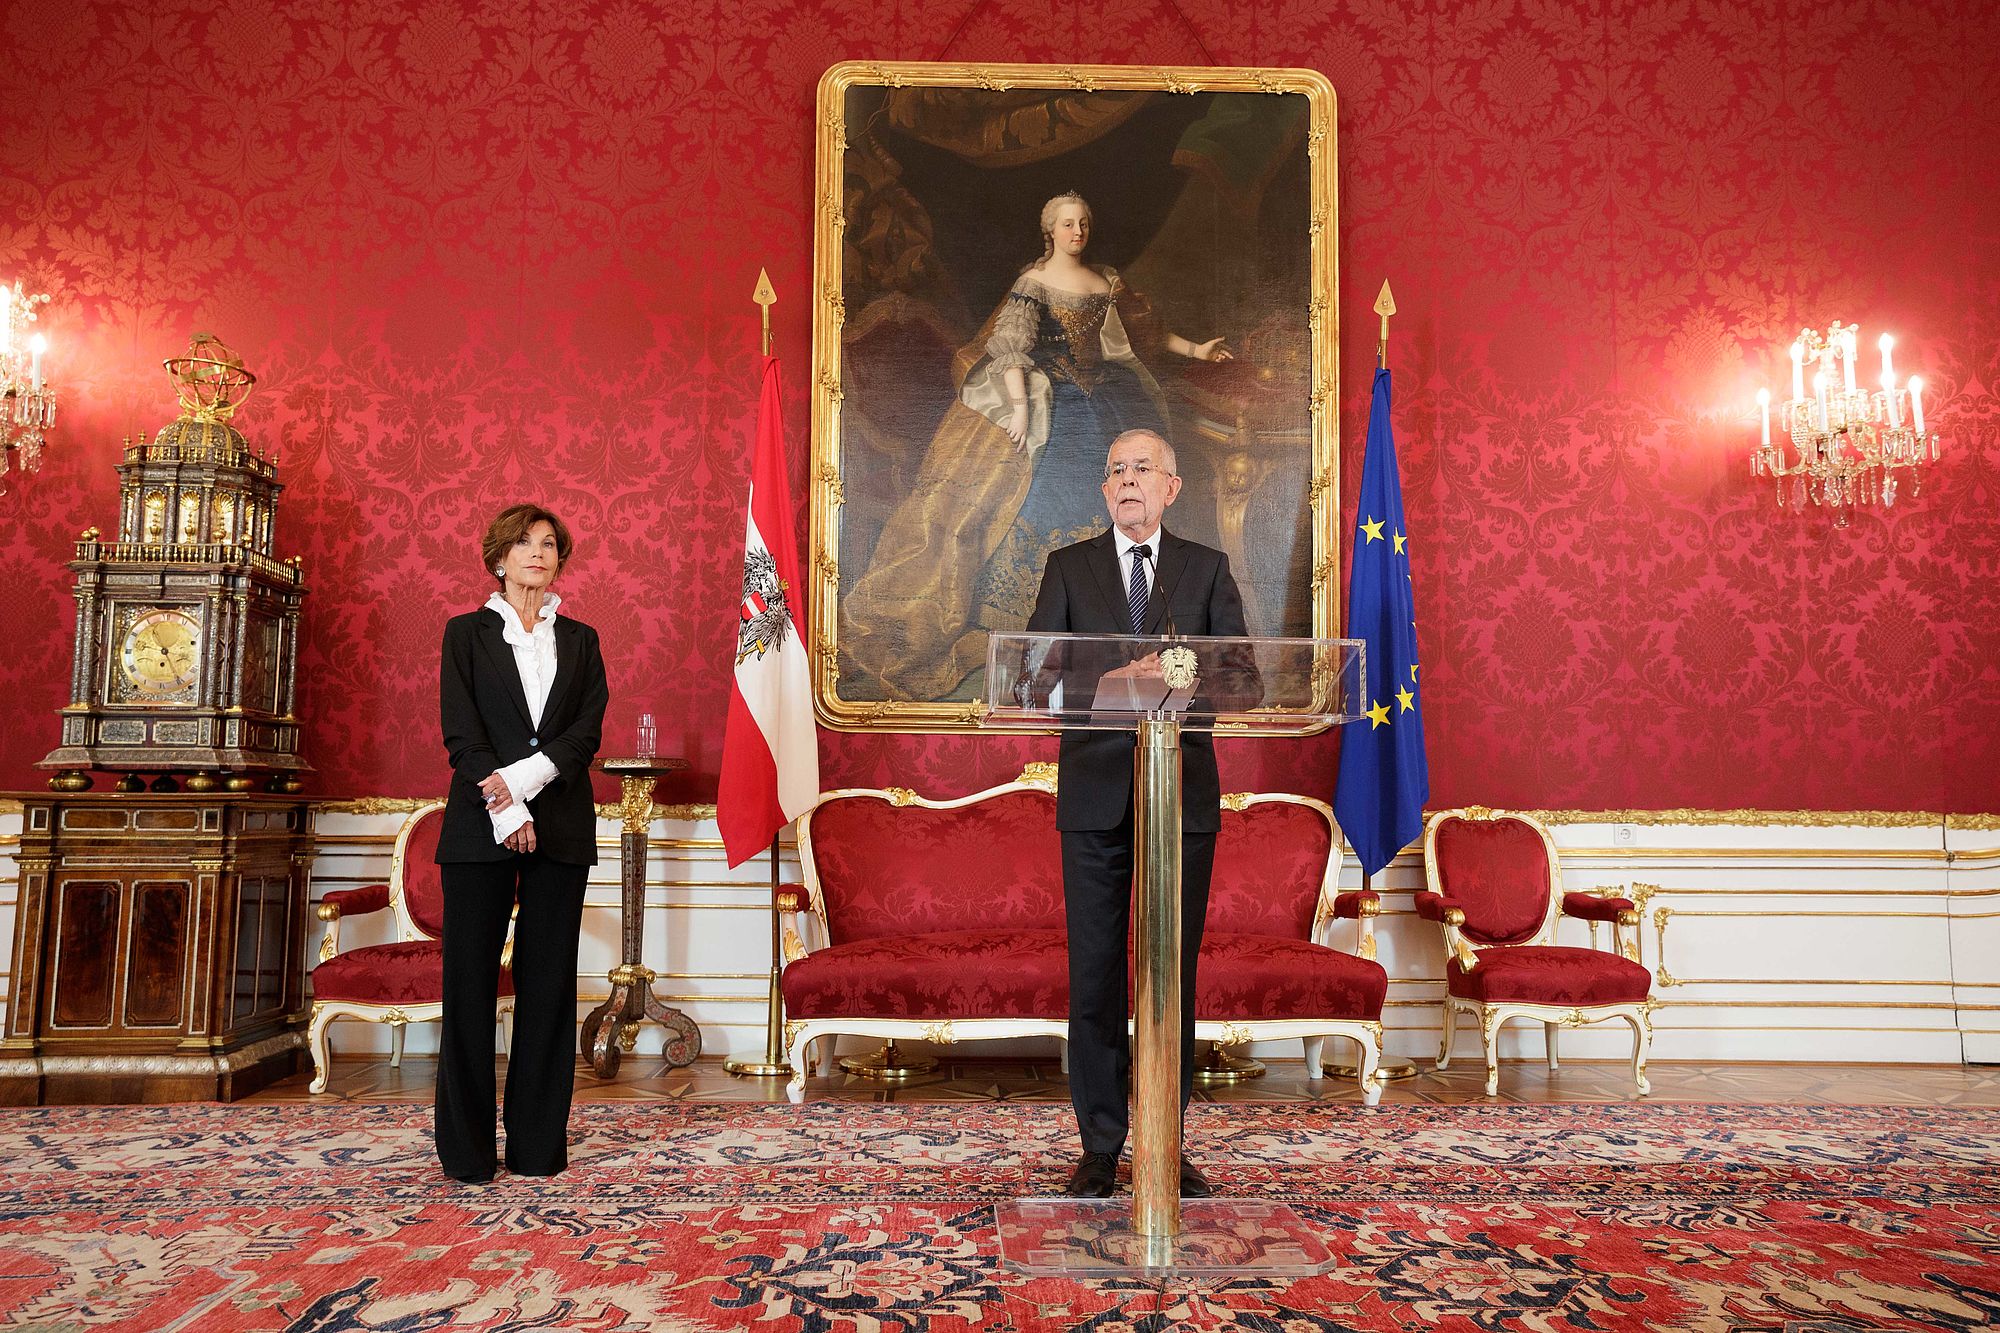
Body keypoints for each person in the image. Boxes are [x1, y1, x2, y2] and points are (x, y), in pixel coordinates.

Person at [844, 191, 1230, 701]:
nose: (1078, 232)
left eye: (1083, 223)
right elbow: (1010, 349)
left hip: (1108, 398)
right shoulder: (1034, 283)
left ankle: (1109, 615)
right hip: (1050, 401)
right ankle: (1031, 618)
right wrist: (1020, 410)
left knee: (1122, 488)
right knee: (1040, 492)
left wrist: (1196, 349)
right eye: (1068, 224)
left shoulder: (1105, 280)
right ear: (1050, 230)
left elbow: (1143, 335)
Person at [1024, 427, 1248, 1199]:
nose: (1128, 480)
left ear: (1171, 486)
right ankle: (1098, 1147)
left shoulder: (1207, 569)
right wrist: (1110, 683)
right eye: (1116, 469)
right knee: (1094, 979)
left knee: (1169, 980)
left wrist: (1181, 678)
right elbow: (1029, 681)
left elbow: (1246, 681)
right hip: (1094, 801)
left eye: (1142, 468)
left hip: (1180, 802)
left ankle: (1163, 1142)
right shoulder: (1069, 568)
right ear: (1104, 489)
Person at [434, 504, 609, 1183]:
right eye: (523, 542)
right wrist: (505, 810)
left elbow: (583, 734)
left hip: (561, 826)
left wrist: (523, 787)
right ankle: (467, 1152)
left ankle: (538, 1147)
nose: (538, 553)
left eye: (549, 544)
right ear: (498, 558)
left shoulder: (583, 640)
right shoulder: (464, 634)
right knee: (469, 986)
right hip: (478, 829)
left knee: (548, 986)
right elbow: (462, 734)